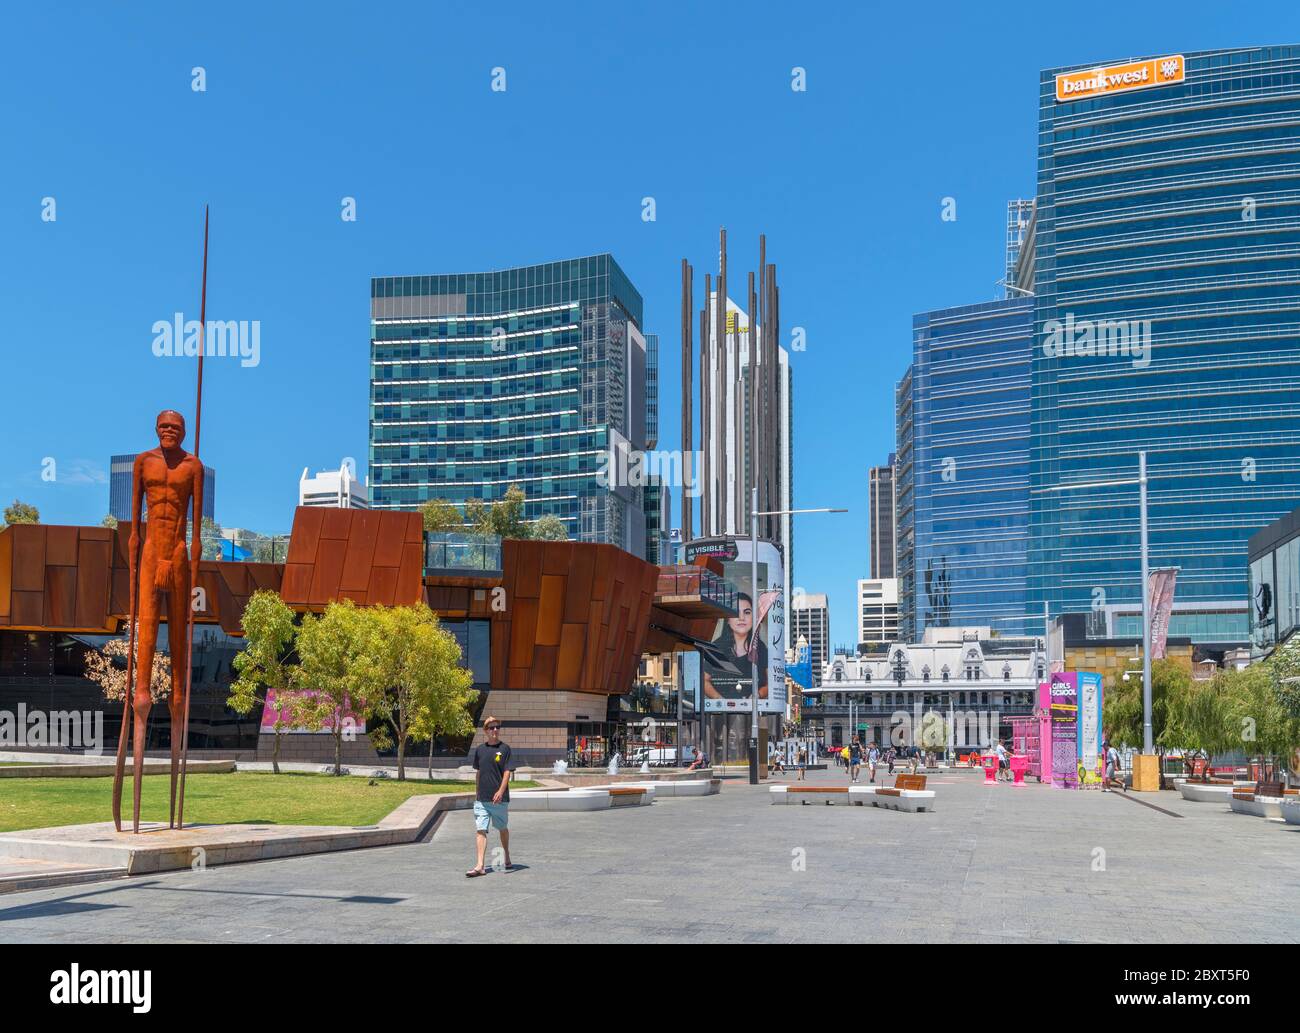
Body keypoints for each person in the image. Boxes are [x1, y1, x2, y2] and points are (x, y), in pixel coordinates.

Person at [466, 716, 517, 877]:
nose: (495, 730)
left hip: (499, 800)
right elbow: (479, 773)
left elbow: (507, 772)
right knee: (480, 829)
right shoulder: (480, 750)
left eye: (497, 727)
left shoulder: (505, 749)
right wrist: (477, 794)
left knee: (502, 828)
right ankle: (480, 865)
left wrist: (501, 792)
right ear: (485, 731)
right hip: (482, 799)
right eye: (491, 727)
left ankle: (507, 856)